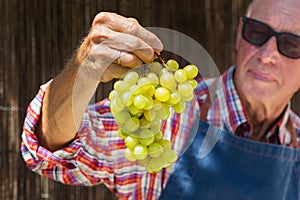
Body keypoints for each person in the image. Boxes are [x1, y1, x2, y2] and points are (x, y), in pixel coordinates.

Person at [21, 0, 300, 199]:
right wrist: (84, 70)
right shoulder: (165, 115)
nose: (267, 55)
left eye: (292, 44)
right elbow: (52, 151)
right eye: (258, 33)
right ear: (240, 33)